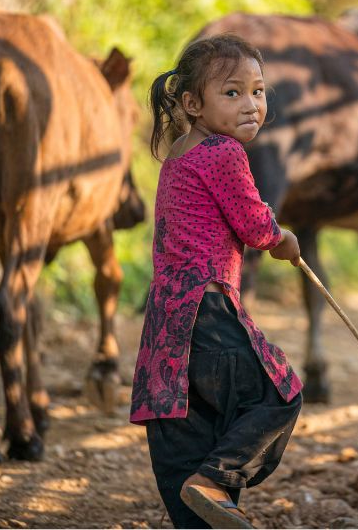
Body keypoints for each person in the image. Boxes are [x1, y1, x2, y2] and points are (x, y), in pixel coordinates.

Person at [131, 33, 304, 528]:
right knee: (278, 395)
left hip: (166, 325)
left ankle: (202, 485)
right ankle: (215, 478)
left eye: (258, 91)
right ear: (192, 103)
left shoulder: (179, 157)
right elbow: (254, 224)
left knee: (187, 447)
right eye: (231, 93)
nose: (251, 104)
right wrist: (284, 239)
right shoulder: (225, 153)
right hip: (207, 312)